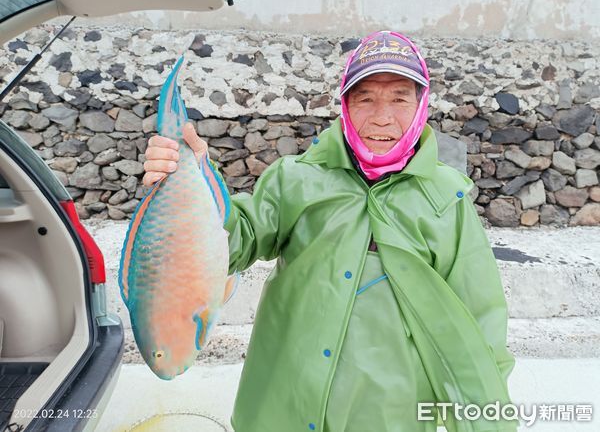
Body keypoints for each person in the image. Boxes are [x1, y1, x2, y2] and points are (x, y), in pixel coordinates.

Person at [142, 31, 517, 432]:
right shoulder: (296, 179)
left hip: (390, 416)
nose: (381, 117)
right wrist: (191, 184)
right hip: (281, 408)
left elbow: (481, 321)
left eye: (399, 98)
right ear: (345, 105)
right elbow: (233, 241)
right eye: (365, 98)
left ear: (421, 105)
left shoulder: (448, 198)